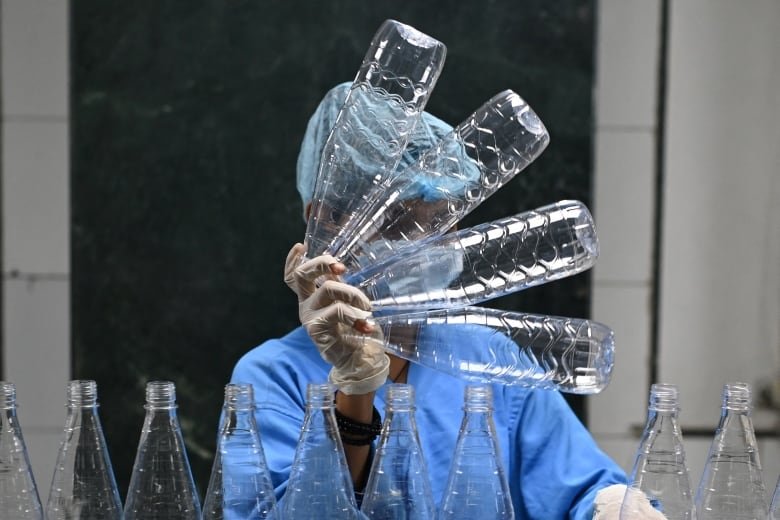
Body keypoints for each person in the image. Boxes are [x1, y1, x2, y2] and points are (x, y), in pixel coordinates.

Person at [231, 82, 632, 519]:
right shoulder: (272, 379)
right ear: (324, 221)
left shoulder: (489, 357)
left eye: (442, 221)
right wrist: (354, 390)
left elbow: (583, 486)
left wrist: (613, 507)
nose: (429, 245)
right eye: (401, 223)